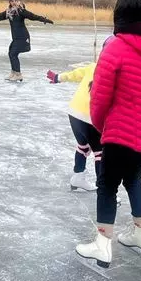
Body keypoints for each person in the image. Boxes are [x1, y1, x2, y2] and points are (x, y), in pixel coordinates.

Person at [75, 0, 141, 269]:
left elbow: (100, 97)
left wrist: (102, 126)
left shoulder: (115, 48)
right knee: (135, 179)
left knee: (107, 184)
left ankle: (102, 245)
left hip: (121, 132)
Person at [46, 63, 101, 191]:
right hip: (90, 116)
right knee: (100, 153)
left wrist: (57, 77)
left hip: (74, 113)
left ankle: (78, 177)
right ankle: (105, 191)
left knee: (83, 145)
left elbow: (75, 74)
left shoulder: (94, 66)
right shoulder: (116, 71)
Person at [0, 0, 54, 81]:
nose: (13, 2)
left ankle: (18, 74)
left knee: (13, 54)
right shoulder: (9, 13)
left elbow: (33, 16)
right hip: (16, 38)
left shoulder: (21, 11)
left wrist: (44, 20)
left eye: (15, 0)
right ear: (10, 2)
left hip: (23, 37)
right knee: (11, 52)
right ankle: (14, 73)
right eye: (11, 1)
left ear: (17, 1)